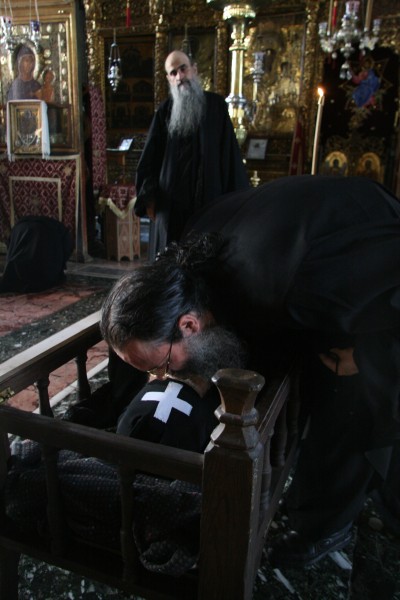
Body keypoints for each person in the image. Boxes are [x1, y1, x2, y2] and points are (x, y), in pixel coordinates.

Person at [100, 174, 400, 568]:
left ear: (189, 324)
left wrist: (368, 355)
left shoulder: (298, 284)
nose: (160, 378)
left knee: (349, 389)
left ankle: (326, 526)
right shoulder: (183, 270)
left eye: (162, 366)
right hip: (308, 235)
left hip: (373, 253)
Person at [134, 49, 249, 260]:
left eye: (183, 69)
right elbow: (150, 159)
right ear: (169, 79)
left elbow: (230, 156)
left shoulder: (215, 106)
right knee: (170, 265)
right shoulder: (165, 111)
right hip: (171, 208)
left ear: (194, 70)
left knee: (206, 263)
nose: (179, 76)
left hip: (210, 203)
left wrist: (237, 203)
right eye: (173, 73)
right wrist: (149, 198)